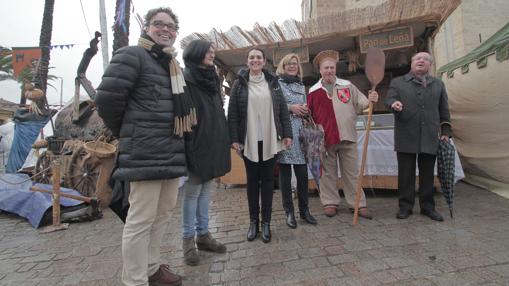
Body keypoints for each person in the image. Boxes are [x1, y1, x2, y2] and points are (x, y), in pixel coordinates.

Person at [95, 7, 194, 286]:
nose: (165, 29)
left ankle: (152, 269)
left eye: (171, 26)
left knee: (161, 216)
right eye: (158, 24)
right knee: (140, 221)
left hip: (171, 152)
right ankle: (135, 280)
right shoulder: (132, 55)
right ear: (147, 28)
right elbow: (106, 101)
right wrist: (129, 133)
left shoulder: (171, 65)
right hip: (144, 154)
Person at [227, 48, 293, 243]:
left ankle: (266, 223)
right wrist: (234, 139)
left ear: (264, 62)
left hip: (270, 138)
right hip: (249, 140)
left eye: (258, 57)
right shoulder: (239, 85)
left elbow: (282, 110)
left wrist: (287, 134)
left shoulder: (273, 84)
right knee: (252, 182)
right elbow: (232, 115)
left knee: (267, 182)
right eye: (251, 57)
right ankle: (253, 222)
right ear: (247, 62)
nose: (255, 60)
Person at [307, 50, 378, 219]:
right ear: (320, 70)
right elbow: (309, 116)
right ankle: (330, 202)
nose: (329, 70)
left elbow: (364, 106)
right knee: (328, 174)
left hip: (347, 136)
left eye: (332, 67)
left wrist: (371, 100)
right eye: (326, 68)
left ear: (335, 68)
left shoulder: (347, 85)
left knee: (352, 172)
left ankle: (358, 204)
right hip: (325, 140)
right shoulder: (313, 91)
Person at [384, 51, 452, 222]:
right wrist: (394, 104)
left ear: (430, 65)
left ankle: (427, 207)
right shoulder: (398, 82)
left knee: (428, 174)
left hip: (430, 135)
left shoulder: (438, 84)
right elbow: (389, 99)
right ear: (412, 63)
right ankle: (405, 207)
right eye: (417, 58)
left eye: (426, 59)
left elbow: (444, 110)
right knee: (406, 174)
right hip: (406, 134)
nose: (421, 61)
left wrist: (445, 132)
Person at [180, 39, 231, 266]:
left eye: (213, 51)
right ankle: (187, 241)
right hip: (195, 143)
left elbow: (217, 111)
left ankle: (204, 235)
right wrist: (189, 144)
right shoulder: (185, 78)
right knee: (192, 193)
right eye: (208, 51)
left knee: (205, 192)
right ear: (197, 53)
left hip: (213, 141)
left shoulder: (211, 79)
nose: (212, 54)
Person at [275, 53, 317, 228]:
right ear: (283, 67)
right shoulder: (277, 84)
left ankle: (304, 210)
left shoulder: (301, 85)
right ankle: (289, 212)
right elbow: (272, 105)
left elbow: (305, 107)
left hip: (300, 132)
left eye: (295, 64)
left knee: (302, 174)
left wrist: (305, 111)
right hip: (285, 133)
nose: (292, 66)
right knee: (285, 176)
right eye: (288, 64)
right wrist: (291, 107)